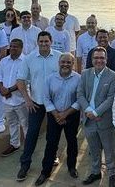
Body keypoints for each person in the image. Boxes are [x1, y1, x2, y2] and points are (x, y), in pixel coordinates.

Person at [15, 31, 62, 181]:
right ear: (37, 42)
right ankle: (25, 164)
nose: (43, 44)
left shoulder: (60, 57)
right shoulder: (29, 59)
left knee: (52, 134)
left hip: (55, 104)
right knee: (32, 134)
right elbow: (21, 81)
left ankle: (53, 156)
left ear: (51, 42)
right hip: (36, 103)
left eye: (46, 41)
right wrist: (27, 100)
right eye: (41, 41)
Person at [35, 53, 81, 185]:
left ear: (73, 64)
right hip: (54, 115)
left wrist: (65, 114)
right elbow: (46, 98)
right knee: (51, 143)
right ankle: (45, 171)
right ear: (59, 63)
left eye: (69, 62)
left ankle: (71, 167)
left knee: (72, 141)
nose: (65, 64)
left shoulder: (78, 79)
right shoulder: (50, 79)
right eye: (63, 62)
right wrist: (57, 115)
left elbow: (79, 99)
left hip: (71, 115)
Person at [77, 47, 115, 187]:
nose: (99, 60)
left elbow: (110, 98)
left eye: (102, 58)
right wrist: (89, 110)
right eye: (96, 58)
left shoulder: (113, 76)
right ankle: (95, 172)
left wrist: (96, 113)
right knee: (94, 149)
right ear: (91, 59)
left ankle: (112, 173)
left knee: (109, 149)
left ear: (106, 59)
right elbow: (80, 94)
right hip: (89, 120)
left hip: (104, 119)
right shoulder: (85, 74)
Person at [0, 38, 28, 155]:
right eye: (11, 46)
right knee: (12, 123)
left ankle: (29, 146)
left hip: (21, 100)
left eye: (16, 46)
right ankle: (14, 144)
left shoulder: (26, 61)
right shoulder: (4, 61)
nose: (12, 48)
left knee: (25, 124)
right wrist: (1, 89)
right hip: (7, 101)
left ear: (21, 48)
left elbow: (24, 80)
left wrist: (8, 90)